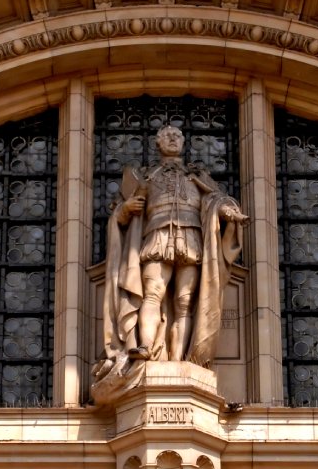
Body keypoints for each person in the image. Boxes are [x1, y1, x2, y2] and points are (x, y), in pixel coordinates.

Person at [97, 125, 247, 381]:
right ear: (158, 143)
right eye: (167, 135)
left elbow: (216, 199)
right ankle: (146, 346)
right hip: (157, 234)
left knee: (184, 302)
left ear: (183, 142)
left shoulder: (197, 175)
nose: (173, 138)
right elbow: (120, 213)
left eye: (177, 135)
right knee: (152, 293)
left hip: (191, 236)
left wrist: (227, 211)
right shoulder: (146, 175)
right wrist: (126, 208)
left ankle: (179, 362)